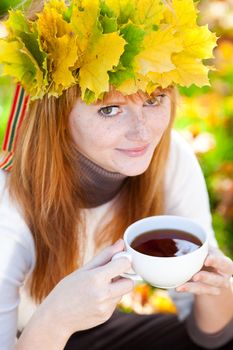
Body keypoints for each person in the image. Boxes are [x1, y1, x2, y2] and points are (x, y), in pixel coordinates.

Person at [0, 0, 232, 349]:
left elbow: (213, 337)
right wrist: (57, 318)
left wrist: (218, 287)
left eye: (154, 100)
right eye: (110, 109)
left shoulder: (169, 159)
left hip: (97, 333)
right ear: (56, 115)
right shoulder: (7, 204)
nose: (142, 133)